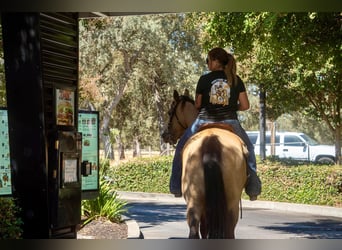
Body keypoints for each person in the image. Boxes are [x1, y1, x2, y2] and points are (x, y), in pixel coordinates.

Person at [169, 47, 261, 201]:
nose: (207, 64)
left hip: (204, 120)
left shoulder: (204, 79)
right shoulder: (236, 79)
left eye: (209, 60)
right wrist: (231, 106)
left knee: (181, 147)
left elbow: (198, 105)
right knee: (249, 149)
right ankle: (253, 187)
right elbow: (245, 106)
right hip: (230, 121)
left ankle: (176, 185)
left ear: (216, 61)